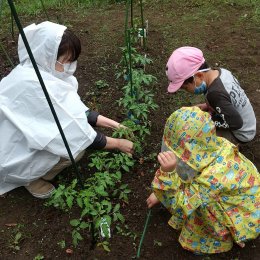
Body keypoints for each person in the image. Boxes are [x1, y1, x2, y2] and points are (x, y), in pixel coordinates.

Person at [0, 21, 134, 199]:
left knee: (74, 145)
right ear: (46, 55)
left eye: (71, 61)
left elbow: (78, 113)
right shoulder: (34, 85)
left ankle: (40, 171)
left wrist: (117, 126)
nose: (69, 66)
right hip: (14, 152)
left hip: (22, 139)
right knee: (75, 151)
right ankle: (30, 179)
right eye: (65, 61)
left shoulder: (41, 71)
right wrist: (118, 144)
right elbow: (77, 132)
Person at [147, 106, 260, 254]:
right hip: (244, 197)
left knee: (201, 210)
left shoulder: (209, 182)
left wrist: (167, 176)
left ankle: (222, 238)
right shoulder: (217, 144)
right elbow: (190, 170)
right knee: (202, 198)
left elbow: (180, 207)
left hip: (244, 218)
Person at [165, 46, 256, 144]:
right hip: (249, 124)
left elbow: (236, 123)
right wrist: (207, 106)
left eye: (185, 87)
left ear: (199, 76)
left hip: (241, 133)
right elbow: (227, 99)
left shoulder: (215, 94)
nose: (187, 91)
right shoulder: (221, 72)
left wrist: (207, 122)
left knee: (198, 137)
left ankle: (230, 147)